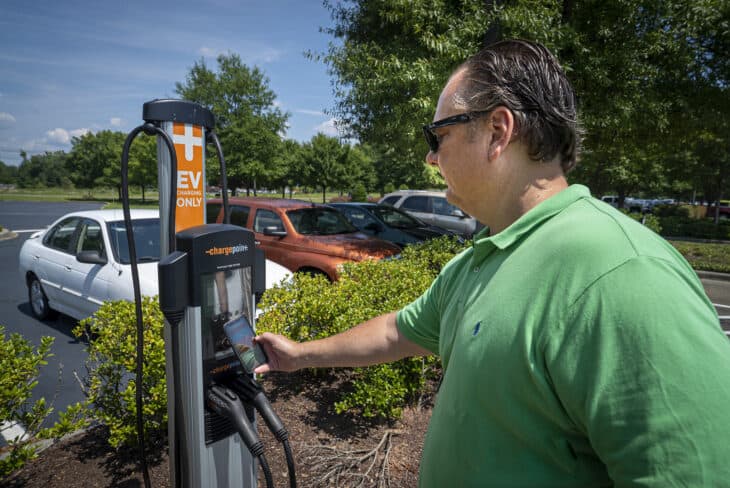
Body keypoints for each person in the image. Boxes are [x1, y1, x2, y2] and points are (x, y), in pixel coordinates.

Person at [254, 39, 730, 486]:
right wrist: (299, 356)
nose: (429, 157)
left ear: (498, 132)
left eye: (437, 134)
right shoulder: (479, 261)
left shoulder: (621, 271)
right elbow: (397, 332)